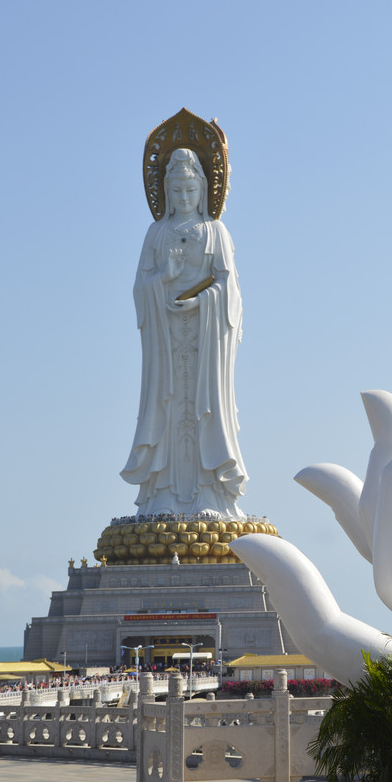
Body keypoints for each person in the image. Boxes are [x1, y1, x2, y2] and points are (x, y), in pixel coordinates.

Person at [121, 147, 247, 518]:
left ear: (203, 190)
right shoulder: (156, 232)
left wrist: (203, 301)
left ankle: (210, 493)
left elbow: (230, 288)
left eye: (190, 191)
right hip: (166, 339)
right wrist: (167, 278)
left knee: (205, 406)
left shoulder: (215, 231)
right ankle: (163, 495)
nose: (184, 198)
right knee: (169, 407)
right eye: (176, 192)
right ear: (166, 192)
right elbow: (140, 289)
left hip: (206, 340)